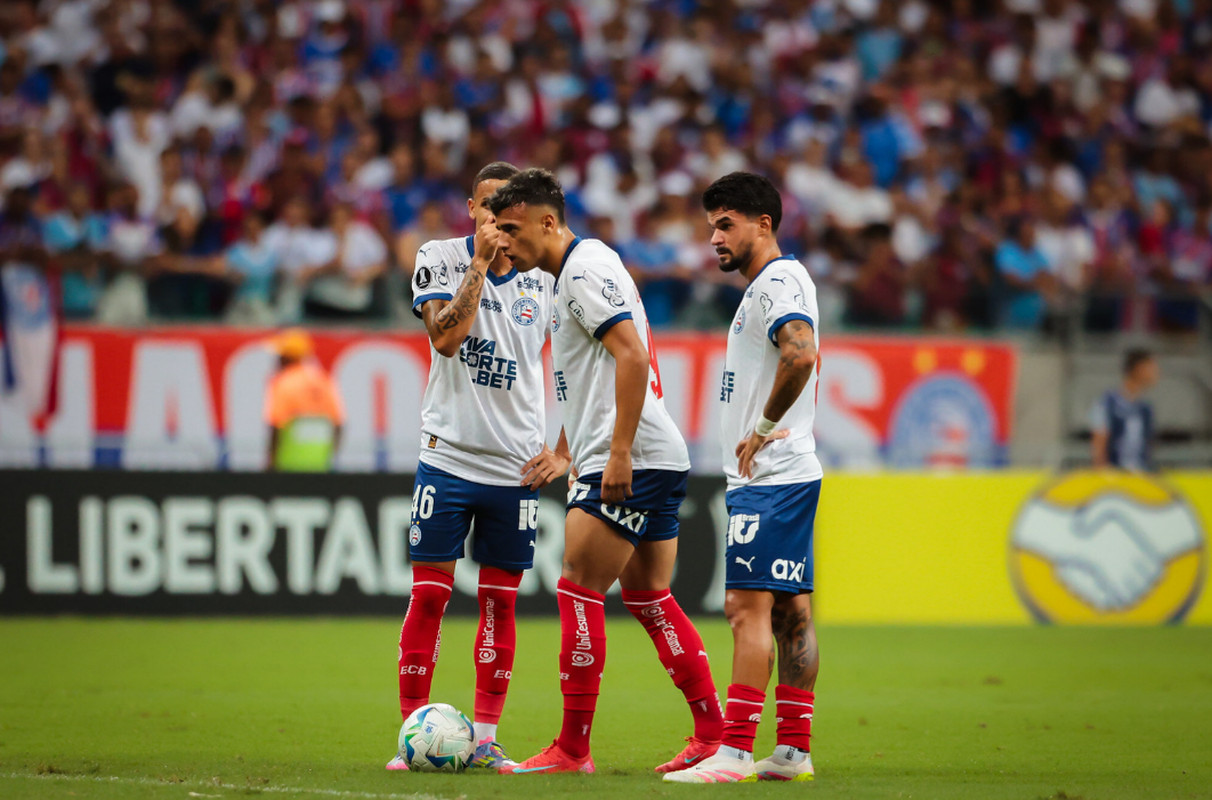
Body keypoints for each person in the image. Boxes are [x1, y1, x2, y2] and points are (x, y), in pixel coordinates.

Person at [488, 169, 723, 776]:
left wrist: (616, 453)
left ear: (548, 221)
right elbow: (585, 378)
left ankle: (572, 749)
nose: (504, 242)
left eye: (512, 229)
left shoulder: (584, 271)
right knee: (648, 595)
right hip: (651, 452)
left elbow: (633, 355)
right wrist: (569, 448)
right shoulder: (571, 272)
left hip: (632, 456)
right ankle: (713, 733)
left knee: (577, 586)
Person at [387, 162, 562, 772]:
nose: (497, 219)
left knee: (498, 605)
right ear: (471, 207)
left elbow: (575, 370)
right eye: (488, 206)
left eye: (507, 209)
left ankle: (485, 738)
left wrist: (562, 449)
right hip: (448, 460)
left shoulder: (545, 281)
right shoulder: (439, 256)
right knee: (429, 598)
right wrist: (480, 265)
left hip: (516, 471)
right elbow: (445, 339)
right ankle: (411, 736)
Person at [667, 172, 821, 784]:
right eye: (710, 226)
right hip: (783, 475)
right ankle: (792, 751)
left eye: (726, 223)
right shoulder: (764, 288)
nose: (714, 237)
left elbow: (800, 353)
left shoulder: (779, 281)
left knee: (743, 607)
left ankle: (731, 753)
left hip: (772, 476)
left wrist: (759, 429)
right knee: (790, 613)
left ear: (764, 223)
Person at [263, 329, 344, 472]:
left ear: (287, 357)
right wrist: (331, 456)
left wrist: (270, 463)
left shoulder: (283, 383)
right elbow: (338, 424)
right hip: (320, 465)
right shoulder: (323, 380)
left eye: (279, 356)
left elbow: (275, 425)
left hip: (287, 464)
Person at [1090, 349, 1159, 472]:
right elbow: (1099, 445)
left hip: (1140, 477)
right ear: (1139, 368)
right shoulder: (1107, 404)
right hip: (1116, 479)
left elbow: (1147, 446)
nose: (1156, 373)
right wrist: (1103, 474)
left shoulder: (1145, 409)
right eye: (1151, 368)